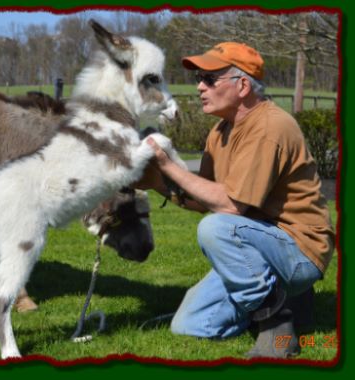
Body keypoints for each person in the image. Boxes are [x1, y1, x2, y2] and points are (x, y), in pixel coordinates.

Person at [136, 42, 335, 358]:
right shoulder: (219, 131)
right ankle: (288, 300)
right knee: (190, 325)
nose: (200, 86)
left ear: (242, 85)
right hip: (260, 245)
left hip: (300, 250)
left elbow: (229, 207)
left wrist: (167, 163)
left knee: (217, 228)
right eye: (199, 78)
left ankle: (277, 326)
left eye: (210, 79)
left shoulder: (270, 126)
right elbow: (205, 198)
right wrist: (158, 183)